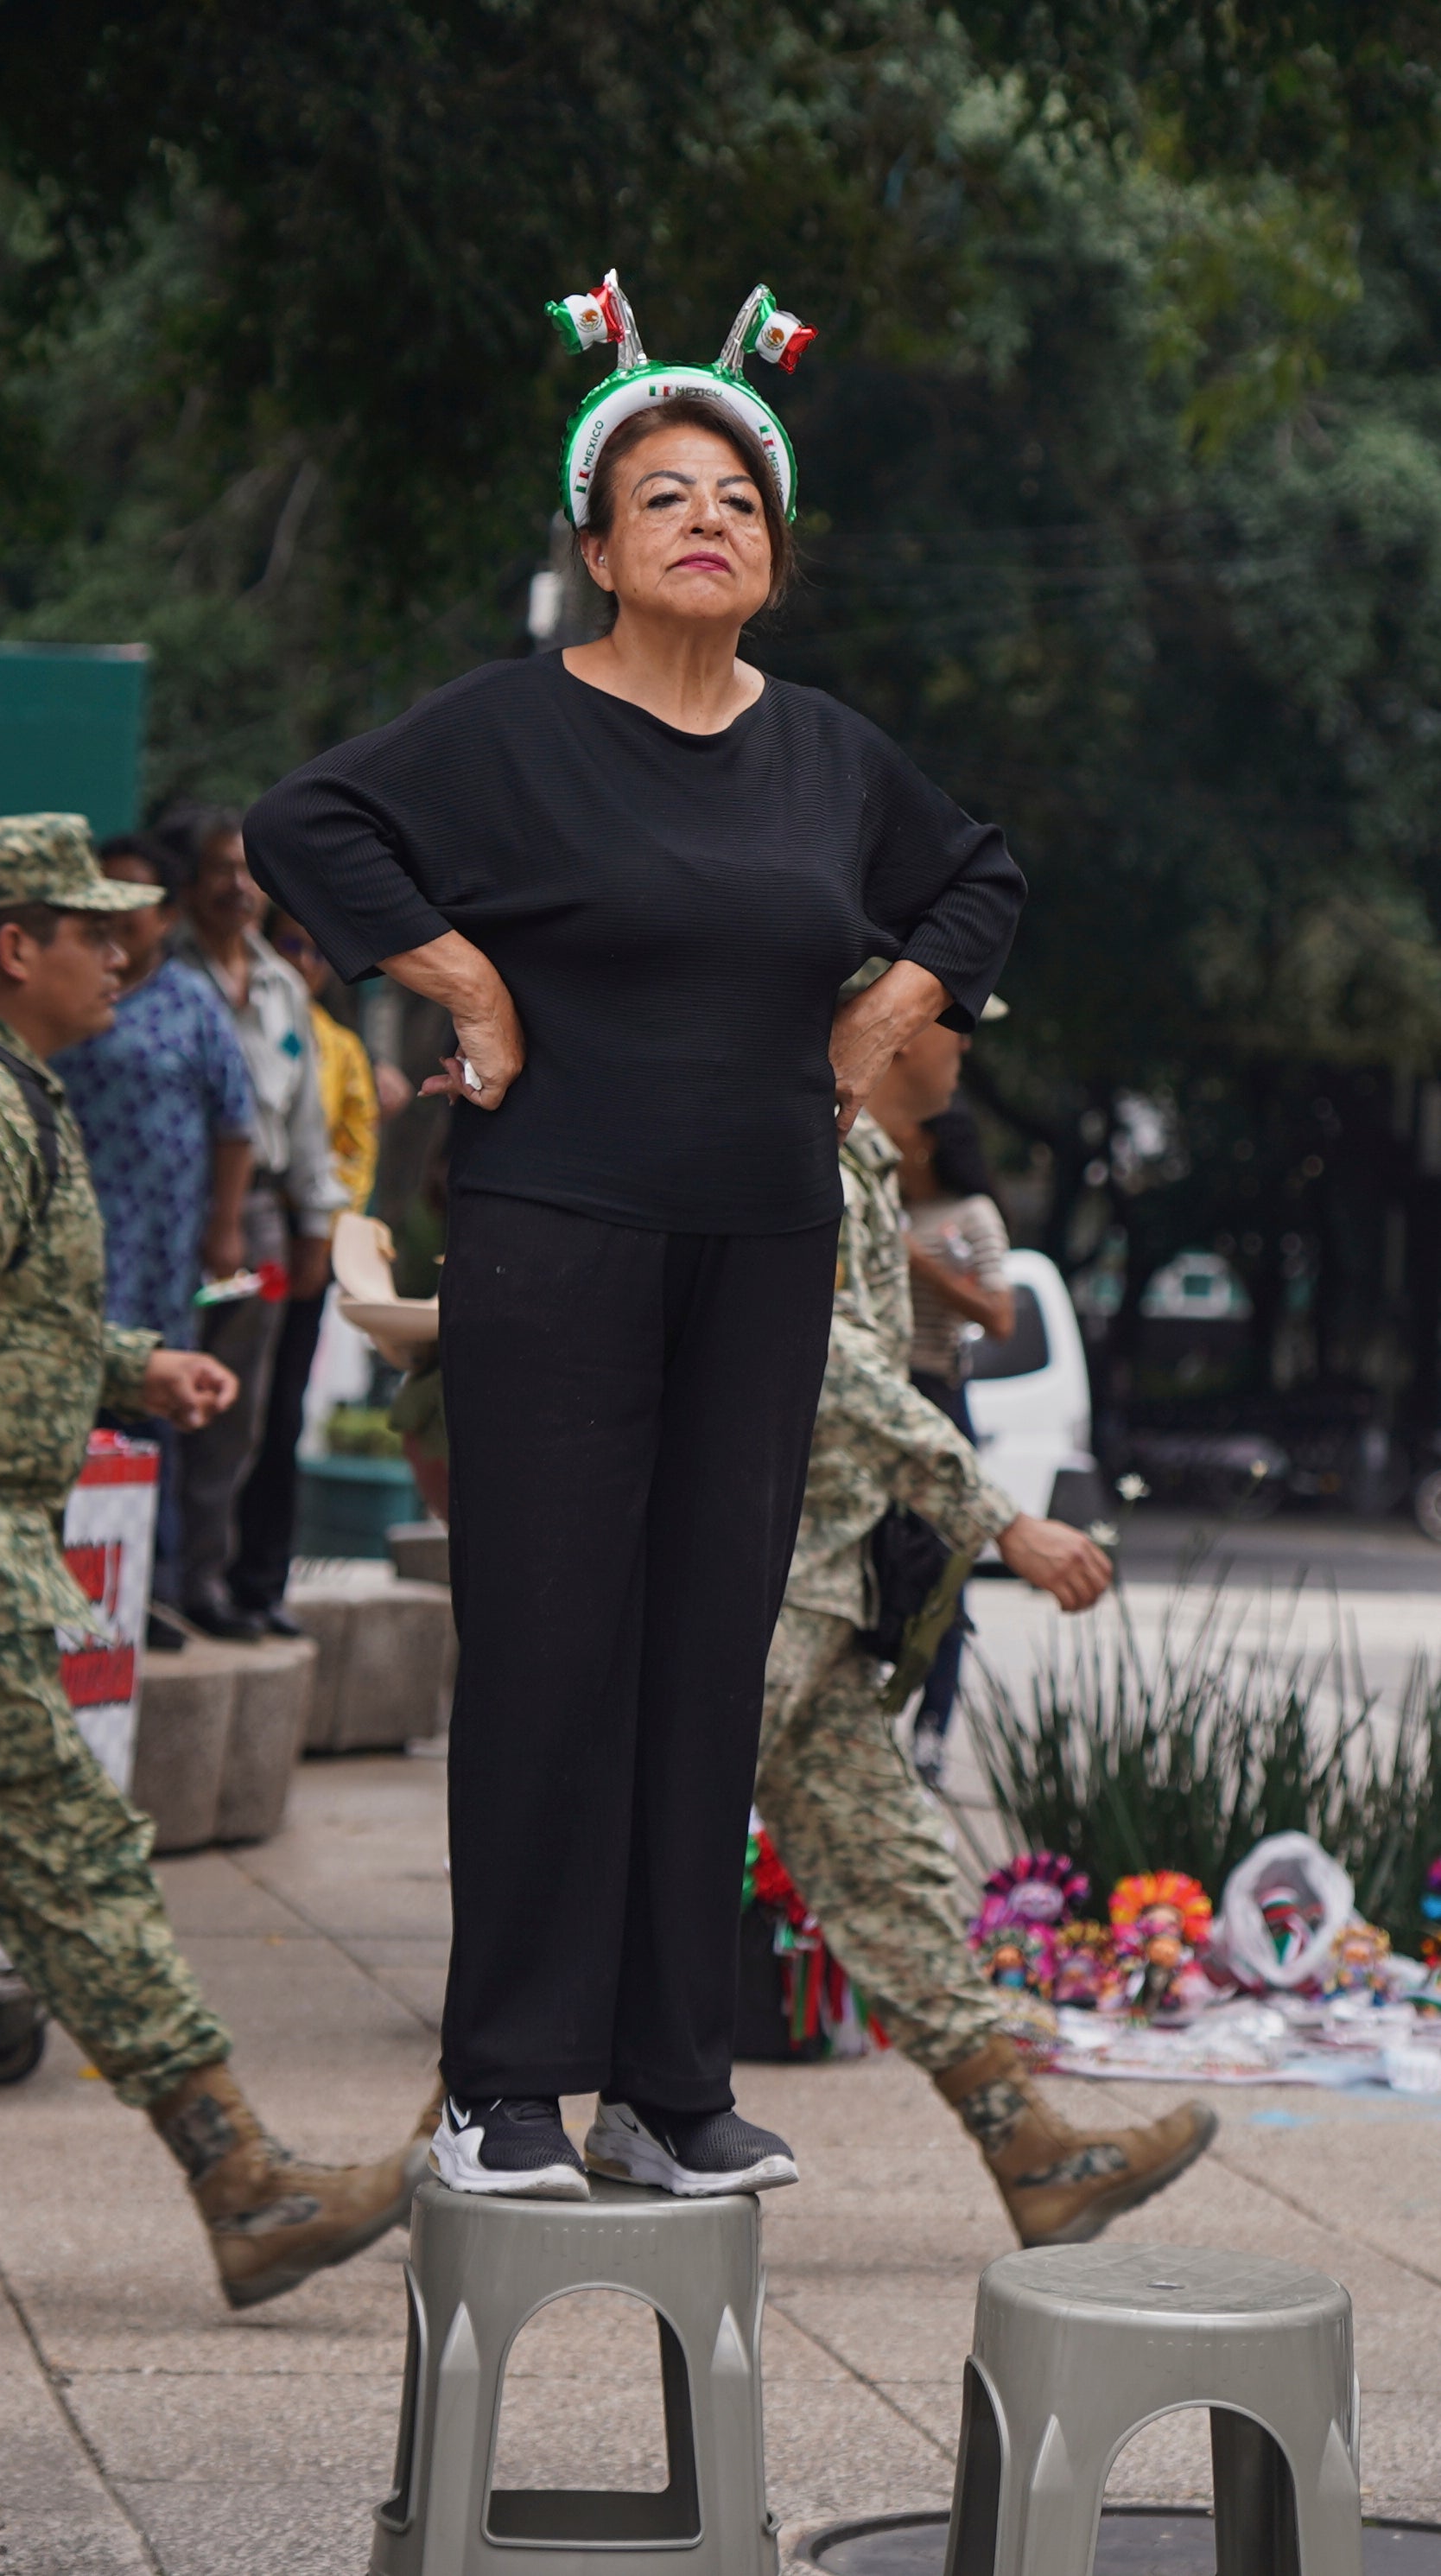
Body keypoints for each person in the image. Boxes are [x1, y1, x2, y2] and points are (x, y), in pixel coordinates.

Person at [244, 272, 1026, 2200]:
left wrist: (875, 1008)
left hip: (755, 1242)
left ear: (769, 555)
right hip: (552, 1237)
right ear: (598, 540)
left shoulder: (830, 755)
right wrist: (461, 984)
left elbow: (979, 874)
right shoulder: (510, 728)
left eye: (739, 502)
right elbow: (302, 823)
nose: (707, 520)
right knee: (546, 1648)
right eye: (664, 493)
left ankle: (674, 2083)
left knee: (701, 1651)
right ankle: (504, 2079)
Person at [0, 813, 427, 2308]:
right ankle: (244, 2180)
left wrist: (128, 1369)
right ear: (15, 946)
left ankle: (245, 2180)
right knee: (75, 1868)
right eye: (91, 929)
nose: (124, 949)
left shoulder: (2, 1089)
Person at [756, 1008, 1217, 2248]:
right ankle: (474, 2133)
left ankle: (1030, 2151)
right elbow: (825, 1361)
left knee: (891, 1872)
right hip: (759, 1570)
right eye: (951, 1022)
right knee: (612, 1853)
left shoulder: (856, 1159)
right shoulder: (808, 1144)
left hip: (823, 1579)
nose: (965, 1052)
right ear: (891, 1032)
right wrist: (1001, 1519)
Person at [52, 832, 257, 1631]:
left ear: (167, 914)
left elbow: (235, 1122)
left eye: (133, 897)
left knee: (154, 1404)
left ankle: (150, 1585)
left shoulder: (190, 1001)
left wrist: (227, 1227)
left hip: (160, 1239)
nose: (116, 914)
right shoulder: (69, 995)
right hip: (73, 1237)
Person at [165, 810, 346, 1639]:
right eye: (218, 869)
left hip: (266, 1218)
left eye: (247, 871)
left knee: (243, 1403)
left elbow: (308, 1121)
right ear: (191, 883)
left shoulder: (281, 984)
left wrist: (317, 1225)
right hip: (176, 1208)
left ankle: (210, 1579)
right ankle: (153, 1579)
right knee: (158, 1387)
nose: (234, 886)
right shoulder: (163, 975)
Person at [225, 913, 384, 1622]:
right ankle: (209, 1570)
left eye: (317, 948)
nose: (303, 961)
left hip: (304, 1238)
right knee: (228, 1403)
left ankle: (263, 1578)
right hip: (245, 1219)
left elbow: (356, 1142)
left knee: (283, 1407)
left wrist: (323, 1222)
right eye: (289, 944)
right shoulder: (243, 1015)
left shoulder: (340, 1046)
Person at [895, 1094, 1015, 1784]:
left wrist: (922, 1264)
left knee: (943, 1572)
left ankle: (933, 1727)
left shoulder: (970, 1216)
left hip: (936, 1393)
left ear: (931, 1143)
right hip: (881, 1391)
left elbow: (999, 1313)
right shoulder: (886, 1202)